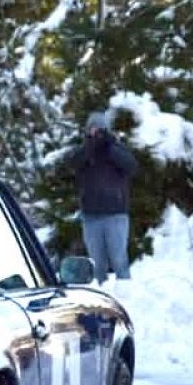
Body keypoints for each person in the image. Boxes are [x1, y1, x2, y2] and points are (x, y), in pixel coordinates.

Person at [70, 110, 139, 282]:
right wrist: (90, 146)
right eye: (93, 129)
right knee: (97, 263)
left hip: (115, 214)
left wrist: (109, 146)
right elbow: (73, 163)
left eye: (100, 129)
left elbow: (131, 166)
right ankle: (101, 295)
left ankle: (127, 294)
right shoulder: (85, 151)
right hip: (91, 215)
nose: (97, 133)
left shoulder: (116, 148)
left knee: (119, 260)